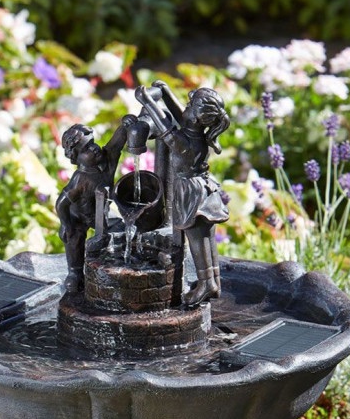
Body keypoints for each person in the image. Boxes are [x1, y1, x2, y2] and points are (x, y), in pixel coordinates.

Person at [134, 81, 230, 306]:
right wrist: (166, 92)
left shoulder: (185, 142)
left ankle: (205, 284)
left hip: (191, 193)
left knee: (196, 239)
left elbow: (165, 126)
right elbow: (179, 116)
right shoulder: (194, 132)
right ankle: (213, 281)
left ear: (197, 117)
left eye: (189, 104)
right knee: (207, 237)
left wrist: (147, 101)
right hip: (204, 189)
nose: (184, 107)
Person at [56, 117, 134, 292]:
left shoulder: (107, 161)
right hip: (78, 216)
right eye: (86, 149)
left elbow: (115, 144)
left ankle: (116, 266)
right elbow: (61, 204)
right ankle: (75, 272)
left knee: (121, 229)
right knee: (73, 238)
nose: (93, 148)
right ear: (76, 157)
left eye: (92, 143)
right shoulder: (80, 180)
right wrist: (66, 224)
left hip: (101, 213)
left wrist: (124, 127)